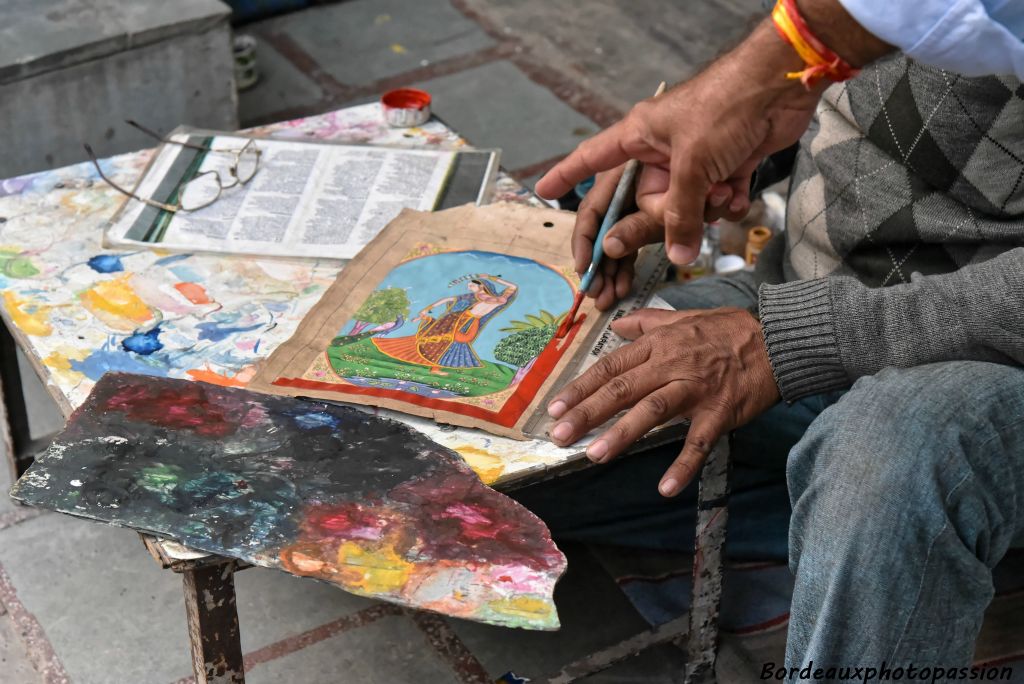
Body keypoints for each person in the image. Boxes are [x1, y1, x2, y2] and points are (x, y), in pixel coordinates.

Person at [513, 0, 1024, 672]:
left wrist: (790, 340)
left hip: (986, 359)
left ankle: (877, 525)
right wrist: (718, 145)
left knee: (885, 460)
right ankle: (869, 538)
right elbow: (835, 61)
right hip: (795, 293)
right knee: (499, 421)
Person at [373, 275, 517, 371]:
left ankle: (435, 367)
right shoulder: (472, 296)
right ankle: (434, 368)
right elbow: (447, 300)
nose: (469, 288)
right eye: (469, 286)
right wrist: (427, 309)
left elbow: (513, 287)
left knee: (457, 342)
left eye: (472, 286)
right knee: (444, 341)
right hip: (458, 319)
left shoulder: (500, 298)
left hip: (472, 321)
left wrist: (491, 277)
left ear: (481, 286)